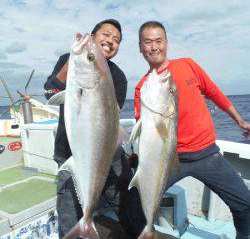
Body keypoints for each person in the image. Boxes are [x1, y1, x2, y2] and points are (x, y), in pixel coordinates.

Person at [134, 21, 250, 239]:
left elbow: (214, 92)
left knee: (245, 204)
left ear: (166, 44)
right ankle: (146, 232)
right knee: (136, 204)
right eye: (148, 42)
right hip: (169, 160)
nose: (154, 47)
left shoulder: (187, 65)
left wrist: (239, 120)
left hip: (207, 154)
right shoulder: (142, 86)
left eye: (159, 41)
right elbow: (145, 131)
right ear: (140, 48)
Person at [44, 19, 145, 238]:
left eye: (116, 40)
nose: (111, 41)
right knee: (69, 210)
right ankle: (81, 225)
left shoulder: (117, 77)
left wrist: (87, 58)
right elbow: (50, 93)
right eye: (106, 35)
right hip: (69, 153)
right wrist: (80, 58)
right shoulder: (67, 61)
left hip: (106, 155)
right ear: (93, 35)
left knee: (128, 205)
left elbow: (109, 119)